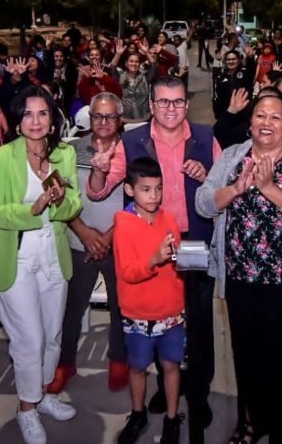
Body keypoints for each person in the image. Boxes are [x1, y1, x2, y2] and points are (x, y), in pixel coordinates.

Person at [88, 76, 220, 439]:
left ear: (186, 105)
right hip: (150, 241)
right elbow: (99, 192)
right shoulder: (132, 141)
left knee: (198, 323)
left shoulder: (206, 138)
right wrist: (99, 168)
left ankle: (199, 393)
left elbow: (226, 188)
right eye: (163, 102)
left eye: (177, 102)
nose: (171, 109)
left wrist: (207, 176)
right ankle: (166, 388)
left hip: (194, 240)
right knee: (162, 319)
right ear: (151, 105)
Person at [195, 93, 282, 444]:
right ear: (250, 122)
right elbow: (204, 203)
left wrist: (268, 188)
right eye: (259, 116)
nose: (266, 123)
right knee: (246, 354)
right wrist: (236, 188)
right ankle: (251, 421)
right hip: (239, 277)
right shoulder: (234, 156)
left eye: (275, 117)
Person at [0, 86, 81, 444]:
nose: (36, 121)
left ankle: (43, 393)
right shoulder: (2, 156)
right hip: (18, 256)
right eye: (27, 114)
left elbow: (74, 206)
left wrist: (59, 201)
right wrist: (34, 208)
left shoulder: (65, 154)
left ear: (52, 118)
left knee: (52, 334)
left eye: (42, 113)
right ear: (17, 119)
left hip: (53, 253)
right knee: (29, 339)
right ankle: (27, 409)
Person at [53, 92, 128, 395]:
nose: (104, 122)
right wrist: (83, 231)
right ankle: (64, 363)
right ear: (89, 118)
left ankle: (119, 361)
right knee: (71, 308)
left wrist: (109, 236)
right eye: (98, 116)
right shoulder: (68, 150)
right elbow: (58, 196)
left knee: (120, 307)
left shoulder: (131, 150)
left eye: (110, 116)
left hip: (119, 242)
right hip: (78, 240)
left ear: (120, 119)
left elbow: (141, 199)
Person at [114, 157, 185, 444]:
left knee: (171, 365)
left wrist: (184, 258)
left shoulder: (169, 220)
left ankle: (171, 416)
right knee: (138, 367)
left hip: (171, 311)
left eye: (158, 189)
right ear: (130, 190)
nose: (153, 196)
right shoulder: (124, 225)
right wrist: (154, 260)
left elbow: (180, 260)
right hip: (138, 313)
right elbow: (129, 273)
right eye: (145, 189)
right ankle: (138, 413)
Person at [118, 51, 157, 124]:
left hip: (144, 119)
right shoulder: (120, 78)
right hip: (125, 120)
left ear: (139, 64)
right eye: (131, 61)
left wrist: (146, 52)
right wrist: (118, 53)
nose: (134, 64)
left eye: (136, 62)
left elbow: (154, 66)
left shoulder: (145, 78)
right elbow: (112, 67)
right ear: (126, 63)